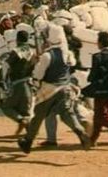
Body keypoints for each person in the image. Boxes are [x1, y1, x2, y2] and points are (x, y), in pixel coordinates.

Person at [17, 23, 91, 154]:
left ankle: (27, 142)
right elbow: (72, 63)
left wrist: (35, 71)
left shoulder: (47, 55)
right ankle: (80, 131)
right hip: (66, 88)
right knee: (67, 114)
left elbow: (38, 74)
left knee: (38, 116)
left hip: (50, 89)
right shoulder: (67, 54)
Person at [1, 30, 35, 136]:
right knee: (25, 110)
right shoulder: (33, 51)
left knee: (6, 107)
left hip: (18, 83)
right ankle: (30, 134)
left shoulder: (15, 51)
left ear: (17, 39)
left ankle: (20, 120)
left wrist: (3, 79)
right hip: (29, 82)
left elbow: (5, 66)